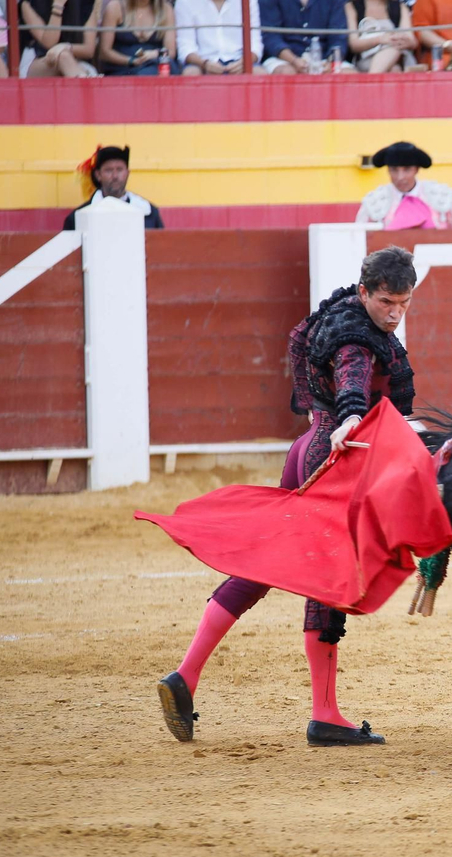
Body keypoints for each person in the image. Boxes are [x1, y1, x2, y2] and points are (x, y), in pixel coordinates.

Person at [157, 245, 421, 749]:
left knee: (262, 564)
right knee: (328, 579)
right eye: (387, 302)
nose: (395, 314)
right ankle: (325, 715)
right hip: (334, 454)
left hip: (309, 446)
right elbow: (352, 378)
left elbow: (303, 344)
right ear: (365, 292)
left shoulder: (340, 310)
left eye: (404, 303)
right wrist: (349, 417)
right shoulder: (356, 337)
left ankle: (185, 675)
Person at [355, 142, 452, 228]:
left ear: (416, 169)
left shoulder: (442, 195)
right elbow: (359, 239)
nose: (400, 177)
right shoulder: (374, 200)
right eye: (394, 170)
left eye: (407, 170)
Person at [98, 0, 178, 75]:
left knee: (163, 67)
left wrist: (155, 54)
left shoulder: (166, 9)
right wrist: (132, 61)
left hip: (155, 65)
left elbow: (171, 52)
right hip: (123, 67)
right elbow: (104, 52)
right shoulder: (115, 7)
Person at [63, 146, 166, 232]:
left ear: (127, 173)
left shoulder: (148, 212)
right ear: (98, 175)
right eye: (109, 170)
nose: (115, 176)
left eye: (119, 169)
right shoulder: (78, 217)